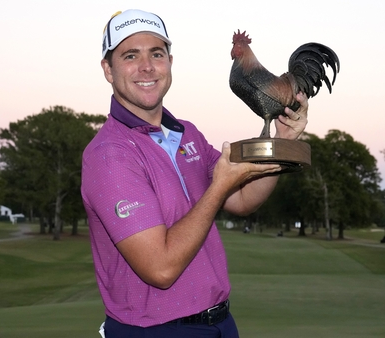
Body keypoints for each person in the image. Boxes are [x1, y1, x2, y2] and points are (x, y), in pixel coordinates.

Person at [81, 9, 309, 338]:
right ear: (108, 69)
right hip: (157, 331)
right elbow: (160, 268)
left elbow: (243, 198)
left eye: (156, 54)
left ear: (169, 62)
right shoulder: (110, 155)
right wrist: (218, 188)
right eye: (130, 55)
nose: (146, 66)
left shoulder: (188, 135)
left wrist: (281, 143)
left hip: (219, 323)